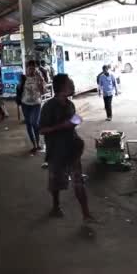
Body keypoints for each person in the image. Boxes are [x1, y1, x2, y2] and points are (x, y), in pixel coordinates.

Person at [39, 74, 93, 222]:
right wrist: (62, 126)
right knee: (56, 182)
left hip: (72, 148)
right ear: (62, 87)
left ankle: (86, 214)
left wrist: (75, 122)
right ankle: (55, 206)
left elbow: (71, 121)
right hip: (56, 151)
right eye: (70, 83)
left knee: (78, 182)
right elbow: (42, 130)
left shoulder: (70, 104)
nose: (73, 86)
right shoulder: (49, 106)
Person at [18, 60, 46, 154]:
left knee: (34, 122)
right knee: (28, 124)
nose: (32, 70)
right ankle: (34, 145)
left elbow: (42, 92)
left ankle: (38, 143)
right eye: (30, 68)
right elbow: (19, 89)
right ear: (26, 69)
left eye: (33, 68)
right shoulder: (23, 78)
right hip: (25, 104)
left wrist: (40, 81)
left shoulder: (39, 78)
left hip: (36, 104)